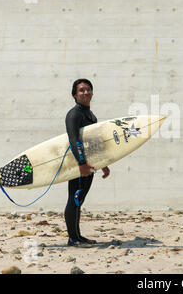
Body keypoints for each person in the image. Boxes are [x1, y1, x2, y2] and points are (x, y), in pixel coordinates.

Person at [65, 79, 110, 247]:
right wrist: (81, 163)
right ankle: (72, 238)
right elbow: (73, 140)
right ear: (75, 95)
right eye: (81, 90)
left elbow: (94, 143)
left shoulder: (91, 116)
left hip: (89, 166)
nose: (86, 93)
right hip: (79, 165)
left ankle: (78, 236)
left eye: (88, 89)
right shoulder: (74, 114)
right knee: (74, 199)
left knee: (80, 199)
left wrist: (102, 164)